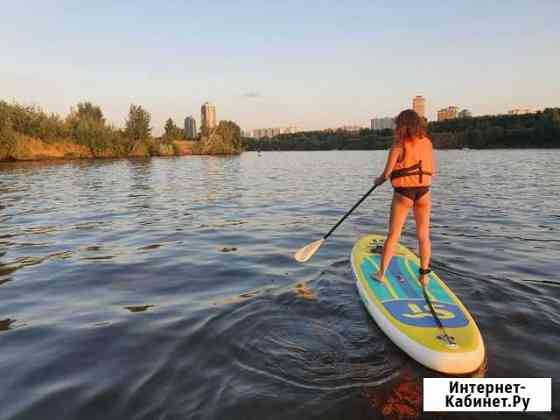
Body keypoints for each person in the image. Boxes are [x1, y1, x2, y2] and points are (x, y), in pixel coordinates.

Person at [373, 109, 436, 286]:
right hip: (424, 191)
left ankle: (381, 274)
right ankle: (424, 276)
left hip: (404, 194)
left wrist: (377, 181)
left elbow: (386, 174)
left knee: (393, 234)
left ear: (400, 125)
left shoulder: (399, 145)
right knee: (423, 235)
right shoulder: (428, 142)